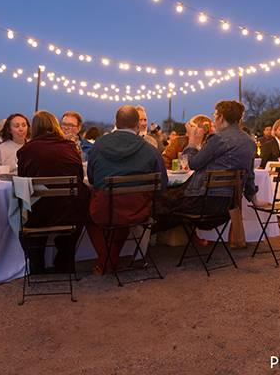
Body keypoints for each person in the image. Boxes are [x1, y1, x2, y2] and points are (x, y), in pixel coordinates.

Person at [86, 105, 168, 273]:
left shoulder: (99, 145)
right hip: (139, 210)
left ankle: (106, 261)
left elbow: (92, 179)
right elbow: (162, 184)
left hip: (106, 209)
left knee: (89, 215)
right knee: (122, 215)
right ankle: (110, 261)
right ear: (137, 125)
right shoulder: (150, 150)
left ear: (116, 122)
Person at [16, 111, 90, 273]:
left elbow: (22, 181)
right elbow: (79, 177)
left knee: (21, 208)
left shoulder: (26, 150)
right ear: (56, 126)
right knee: (81, 198)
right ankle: (64, 260)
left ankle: (37, 263)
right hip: (68, 212)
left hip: (37, 214)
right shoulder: (70, 148)